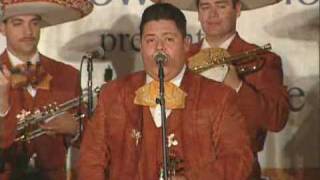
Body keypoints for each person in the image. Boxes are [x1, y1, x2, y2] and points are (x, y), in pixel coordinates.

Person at [79, 3, 253, 180]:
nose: (159, 48)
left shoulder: (219, 97)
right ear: (140, 45)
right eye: (150, 40)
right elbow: (91, 160)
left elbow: (238, 160)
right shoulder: (113, 94)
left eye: (169, 39)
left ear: (186, 44)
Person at [152, 0, 290, 179]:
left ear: (237, 9)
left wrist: (236, 85)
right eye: (205, 7)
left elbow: (275, 119)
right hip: (182, 171)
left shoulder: (263, 60)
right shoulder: (177, 60)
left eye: (221, 5)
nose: (212, 14)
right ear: (199, 13)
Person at [0, 0, 93, 179]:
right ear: (2, 28)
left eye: (34, 23)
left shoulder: (67, 75)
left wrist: (76, 128)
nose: (28, 32)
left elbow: (96, 142)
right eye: (18, 23)